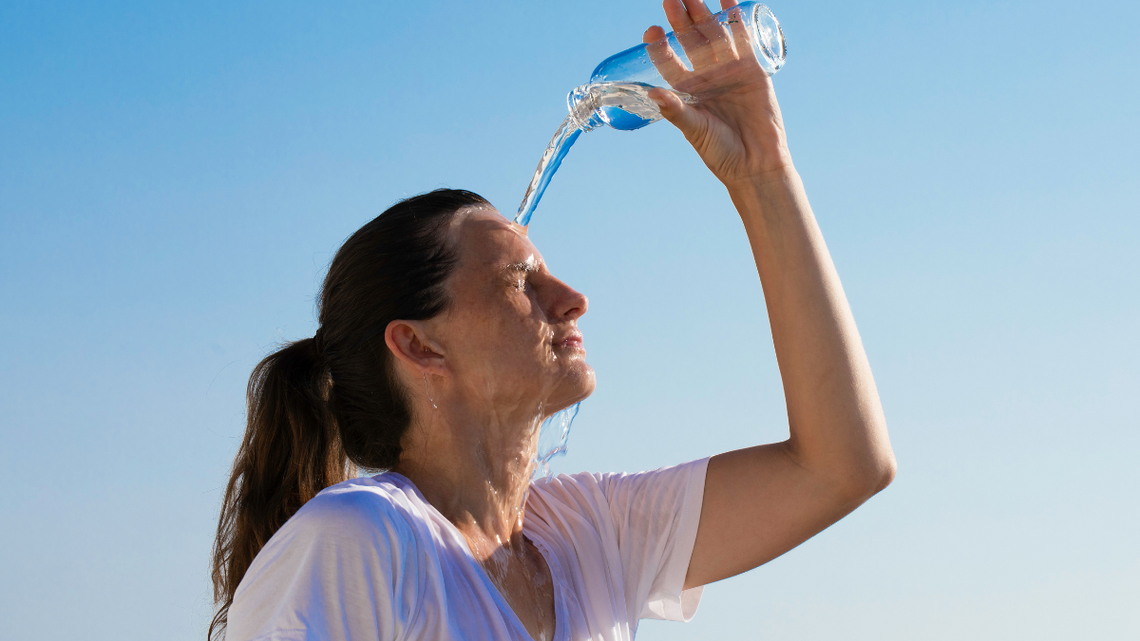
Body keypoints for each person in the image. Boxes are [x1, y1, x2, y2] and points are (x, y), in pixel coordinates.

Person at [209, 1, 897, 639]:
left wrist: (763, 172)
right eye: (520, 282)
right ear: (419, 346)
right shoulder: (365, 538)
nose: (572, 299)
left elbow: (842, 465)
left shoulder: (585, 535)